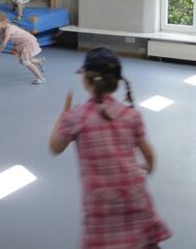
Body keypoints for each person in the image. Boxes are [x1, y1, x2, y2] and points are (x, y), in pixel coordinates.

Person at [49, 48, 171, 249]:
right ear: (116, 83)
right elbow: (149, 155)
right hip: (135, 197)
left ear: (86, 81)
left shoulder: (77, 117)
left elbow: (55, 147)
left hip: (101, 204)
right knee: (144, 242)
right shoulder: (130, 115)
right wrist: (147, 167)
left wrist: (63, 116)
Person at [0, 11, 45, 84]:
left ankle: (40, 77)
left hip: (28, 42)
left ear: (3, 22)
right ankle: (39, 61)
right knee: (22, 61)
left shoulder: (9, 29)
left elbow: (4, 43)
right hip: (22, 44)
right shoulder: (2, 29)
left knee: (25, 61)